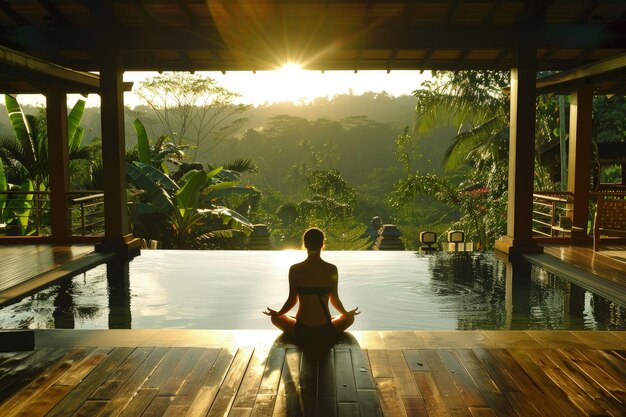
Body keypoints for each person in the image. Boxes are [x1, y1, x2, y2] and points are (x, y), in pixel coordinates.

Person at [263, 228, 359, 346]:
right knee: (349, 318)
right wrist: (346, 312)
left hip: (301, 331)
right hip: (326, 330)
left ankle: (291, 319)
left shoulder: (295, 269)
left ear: (304, 244)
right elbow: (335, 299)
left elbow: (292, 300)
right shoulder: (331, 269)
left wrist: (278, 313)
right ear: (323, 244)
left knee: (275, 318)